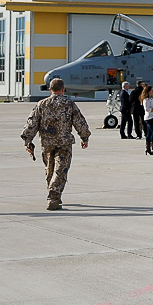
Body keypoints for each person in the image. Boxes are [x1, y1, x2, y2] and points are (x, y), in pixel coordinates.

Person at [19, 77, 90, 210]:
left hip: (46, 143)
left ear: (50, 89)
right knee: (60, 170)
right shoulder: (69, 104)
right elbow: (80, 122)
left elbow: (31, 124)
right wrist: (84, 137)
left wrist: (27, 141)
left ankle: (52, 193)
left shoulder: (41, 104)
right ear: (63, 89)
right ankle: (54, 197)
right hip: (64, 143)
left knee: (50, 170)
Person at [139, 84, 153, 155]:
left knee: (149, 133)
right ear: (148, 91)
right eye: (151, 90)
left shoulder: (150, 99)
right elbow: (147, 109)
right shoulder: (146, 100)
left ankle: (148, 149)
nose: (152, 91)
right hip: (150, 118)